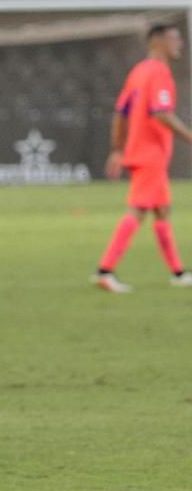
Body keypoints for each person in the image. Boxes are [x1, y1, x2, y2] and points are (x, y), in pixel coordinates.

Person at [93, 24, 192, 293]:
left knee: (162, 210)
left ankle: (179, 273)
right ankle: (105, 270)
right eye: (174, 38)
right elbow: (161, 113)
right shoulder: (159, 72)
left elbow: (120, 112)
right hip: (151, 154)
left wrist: (117, 149)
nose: (180, 44)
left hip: (141, 151)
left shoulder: (138, 72)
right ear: (158, 42)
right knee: (138, 210)